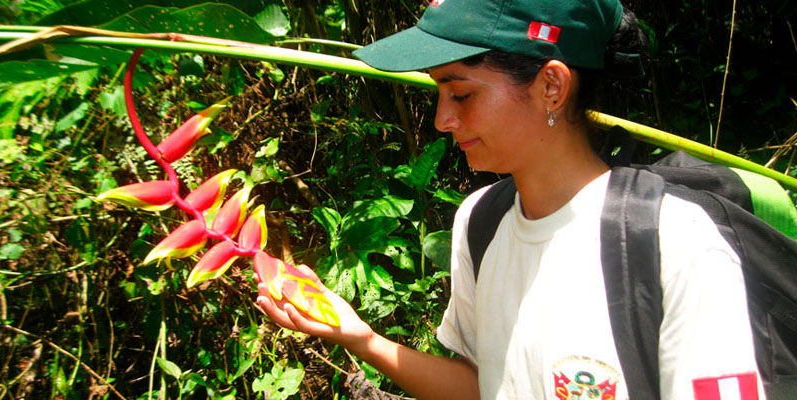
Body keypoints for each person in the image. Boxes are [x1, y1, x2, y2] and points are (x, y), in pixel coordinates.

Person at [257, 0, 766, 399]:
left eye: (461, 94)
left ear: (551, 86)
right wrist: (358, 336)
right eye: (438, 93)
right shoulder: (480, 222)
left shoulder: (671, 242)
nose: (441, 119)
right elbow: (487, 386)